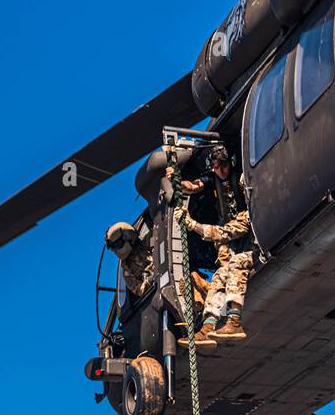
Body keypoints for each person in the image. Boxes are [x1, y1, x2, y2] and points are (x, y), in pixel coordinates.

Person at [171, 146, 255, 346]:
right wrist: (175, 179)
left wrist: (192, 225)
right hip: (234, 248)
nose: (220, 171)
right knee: (219, 275)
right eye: (216, 167)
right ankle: (209, 326)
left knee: (236, 263)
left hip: (253, 247)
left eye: (223, 166)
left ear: (231, 164)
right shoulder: (213, 179)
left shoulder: (245, 212)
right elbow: (192, 186)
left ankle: (234, 320)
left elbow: (223, 233)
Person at [105, 221, 153, 299]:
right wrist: (150, 280)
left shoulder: (149, 239)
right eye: (114, 249)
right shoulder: (127, 270)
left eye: (118, 245)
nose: (116, 251)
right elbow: (139, 290)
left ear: (128, 237)